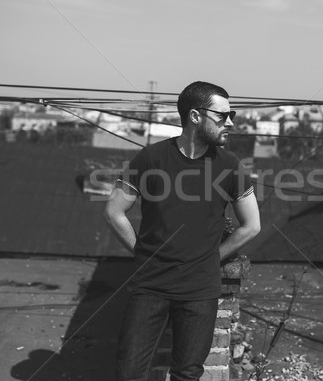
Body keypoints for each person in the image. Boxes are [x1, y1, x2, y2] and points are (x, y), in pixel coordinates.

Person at [104, 81, 261, 381]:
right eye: (222, 116)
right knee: (129, 371)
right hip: (150, 286)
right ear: (194, 116)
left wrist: (211, 257)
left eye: (232, 115)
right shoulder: (151, 158)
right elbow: (113, 211)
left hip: (200, 291)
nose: (230, 123)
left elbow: (252, 225)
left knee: (187, 373)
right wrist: (143, 252)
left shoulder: (230, 165)